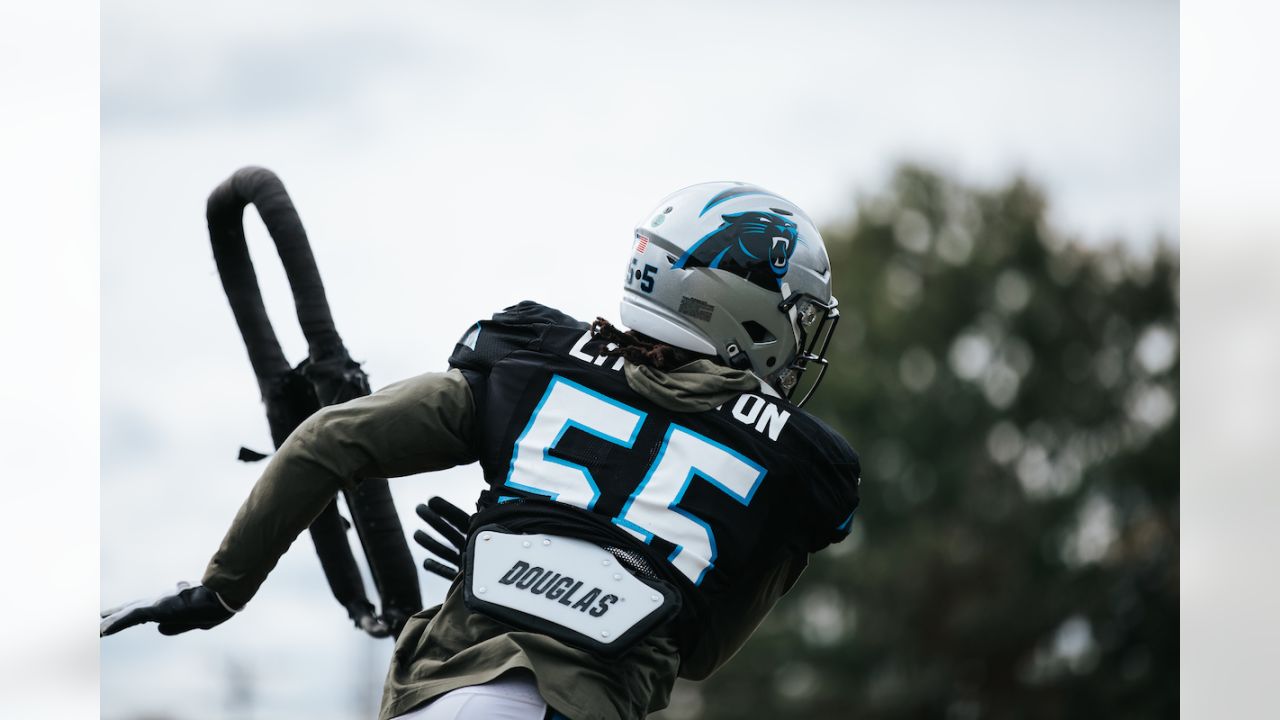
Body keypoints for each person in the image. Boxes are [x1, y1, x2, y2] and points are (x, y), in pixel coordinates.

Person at [101, 181, 861, 720]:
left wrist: (223, 587)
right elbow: (694, 652)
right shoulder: (796, 466)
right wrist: (573, 570)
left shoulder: (532, 362)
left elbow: (326, 439)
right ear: (742, 306)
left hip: (441, 697)